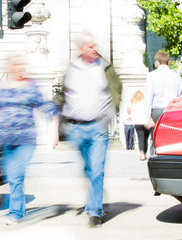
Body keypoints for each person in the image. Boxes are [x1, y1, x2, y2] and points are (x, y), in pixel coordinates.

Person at [0, 54, 59, 225]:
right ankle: (17, 209)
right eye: (16, 65)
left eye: (22, 65)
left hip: (25, 139)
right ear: (9, 67)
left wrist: (54, 130)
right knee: (12, 176)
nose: (20, 68)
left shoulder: (31, 87)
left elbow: (46, 108)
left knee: (16, 175)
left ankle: (15, 212)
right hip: (6, 140)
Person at [60, 31, 119, 228]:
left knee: (96, 170)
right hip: (76, 128)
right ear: (81, 49)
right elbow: (63, 94)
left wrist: (110, 115)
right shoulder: (71, 69)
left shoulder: (104, 67)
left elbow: (117, 89)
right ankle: (94, 196)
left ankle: (95, 211)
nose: (95, 49)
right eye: (90, 46)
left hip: (97, 128)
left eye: (95, 45)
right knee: (88, 170)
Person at [145, 50, 182, 155]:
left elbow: (148, 96)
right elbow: (180, 96)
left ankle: (153, 160)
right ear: (169, 62)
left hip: (156, 111)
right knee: (171, 140)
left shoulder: (151, 76)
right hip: (172, 111)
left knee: (155, 140)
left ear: (157, 62)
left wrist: (148, 116)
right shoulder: (176, 76)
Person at [131, 90, 150, 160]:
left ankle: (142, 154)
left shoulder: (133, 102)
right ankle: (145, 153)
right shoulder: (145, 102)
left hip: (138, 122)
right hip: (145, 121)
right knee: (145, 139)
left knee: (140, 138)